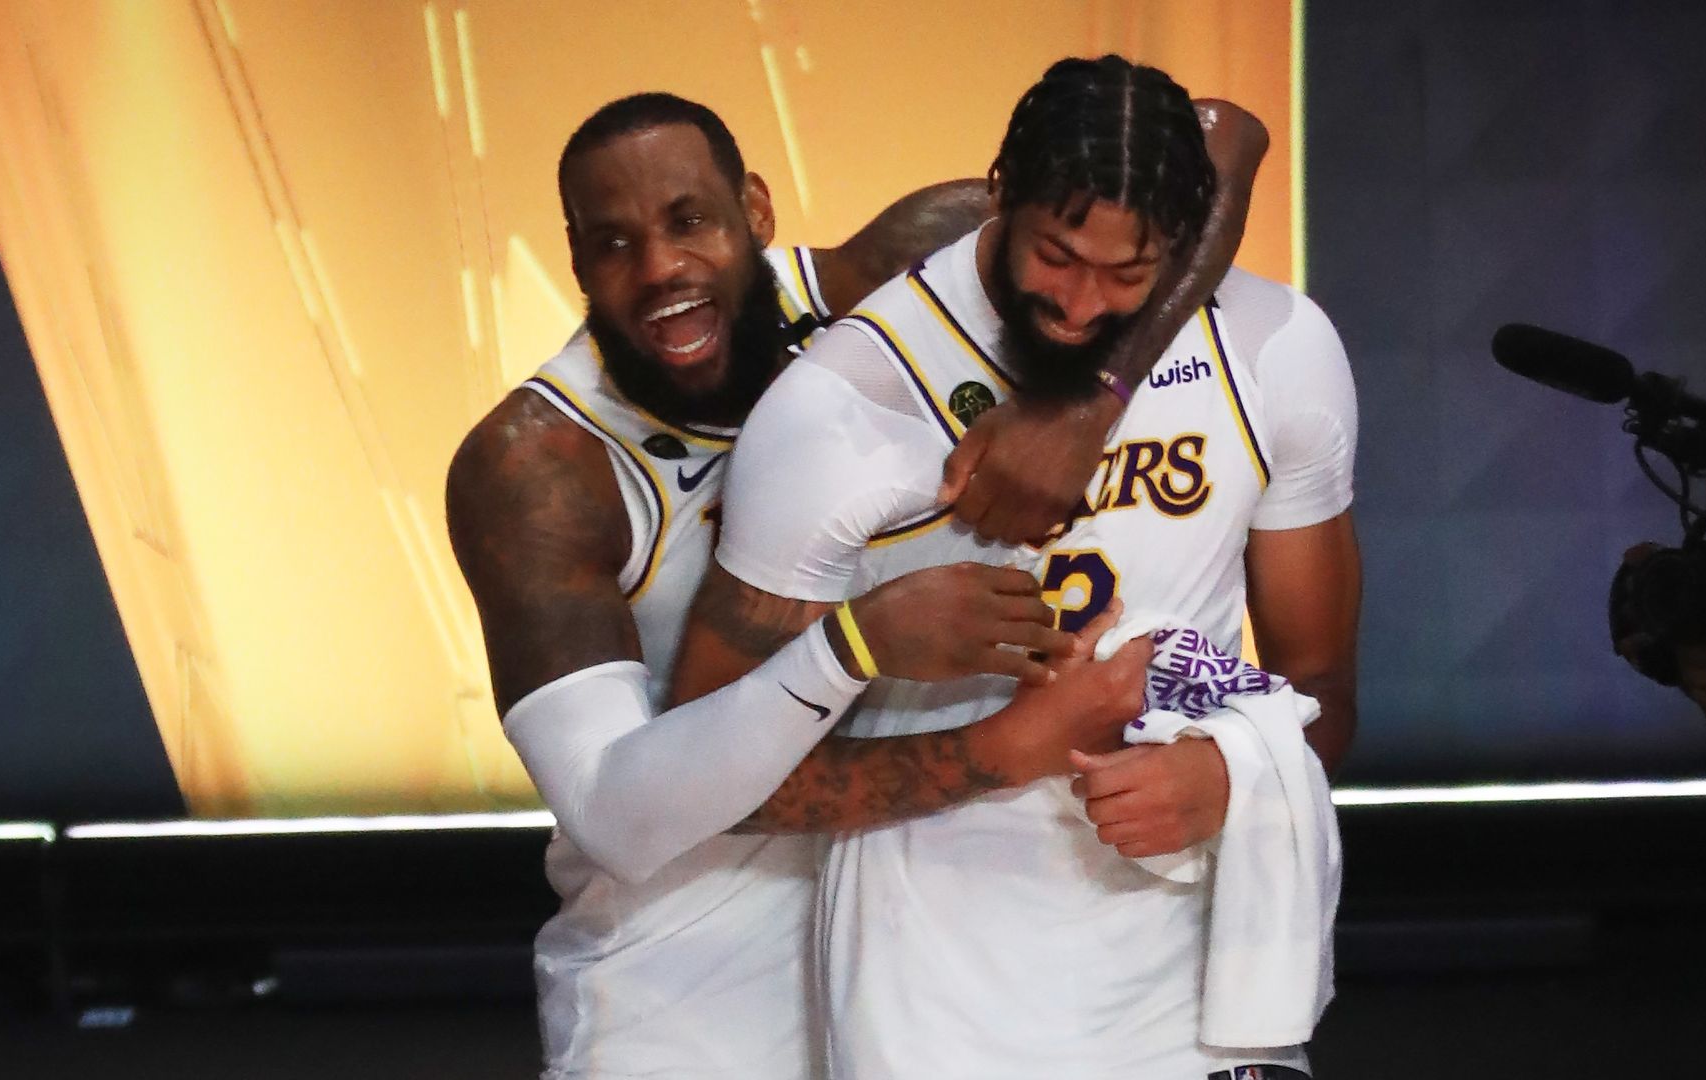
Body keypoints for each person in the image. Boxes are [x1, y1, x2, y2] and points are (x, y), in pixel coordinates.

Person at [446, 89, 1264, 1078]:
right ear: (575, 261)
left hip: (923, 960)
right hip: (689, 994)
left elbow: (1219, 138)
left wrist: (1098, 398)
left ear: (755, 209)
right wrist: (859, 651)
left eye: (690, 221)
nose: (660, 270)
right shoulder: (538, 468)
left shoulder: (890, 287)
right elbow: (616, 819)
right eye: (613, 244)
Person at [672, 55, 1360, 1077]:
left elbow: (1324, 691)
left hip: (1202, 975)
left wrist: (1231, 775)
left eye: (1129, 275)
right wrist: (1004, 745)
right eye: (1058, 255)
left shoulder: (1276, 347)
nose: (1083, 305)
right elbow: (705, 778)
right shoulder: (843, 405)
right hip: (936, 992)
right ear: (999, 191)